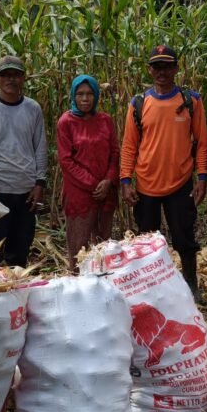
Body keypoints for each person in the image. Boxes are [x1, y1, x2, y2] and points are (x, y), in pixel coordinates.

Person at [120, 45, 207, 299]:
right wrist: (126, 180)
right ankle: (150, 289)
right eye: (157, 66)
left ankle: (191, 285)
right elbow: (129, 146)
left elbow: (202, 141)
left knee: (185, 239)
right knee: (147, 242)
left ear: (176, 69)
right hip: (146, 184)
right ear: (149, 70)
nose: (162, 71)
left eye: (167, 66)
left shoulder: (191, 101)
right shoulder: (138, 104)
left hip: (180, 183)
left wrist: (202, 177)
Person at [0, 55, 48, 267]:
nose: (11, 79)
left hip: (26, 192)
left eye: (15, 74)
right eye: (5, 75)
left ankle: (15, 296)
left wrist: (39, 183)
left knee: (19, 253)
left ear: (23, 78)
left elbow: (40, 147)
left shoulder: (33, 108)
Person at [57, 74, 119, 272]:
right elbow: (66, 160)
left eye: (90, 94)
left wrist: (109, 180)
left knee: (102, 245)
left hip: (105, 191)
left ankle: (100, 288)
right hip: (80, 194)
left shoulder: (105, 120)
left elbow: (114, 153)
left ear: (96, 96)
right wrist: (94, 184)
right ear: (73, 96)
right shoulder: (66, 122)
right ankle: (78, 290)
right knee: (79, 248)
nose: (85, 99)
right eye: (80, 94)